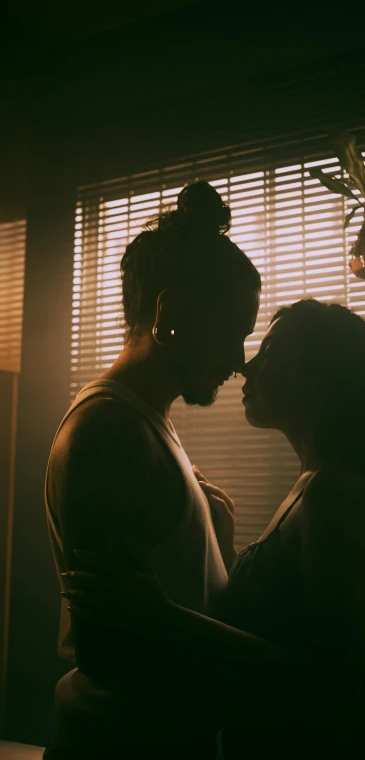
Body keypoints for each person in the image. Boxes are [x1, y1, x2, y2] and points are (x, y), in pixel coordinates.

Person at [63, 299, 365, 759]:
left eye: (269, 354)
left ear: (318, 385)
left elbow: (332, 682)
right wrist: (227, 547)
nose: (246, 366)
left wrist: (162, 617)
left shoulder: (336, 495)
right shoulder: (311, 488)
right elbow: (277, 629)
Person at [43, 181, 261, 759]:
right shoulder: (107, 434)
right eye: (232, 334)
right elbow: (109, 647)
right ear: (170, 314)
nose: (239, 362)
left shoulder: (144, 424)